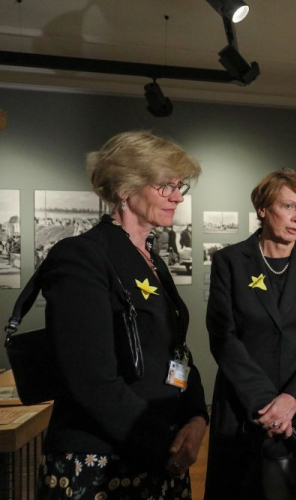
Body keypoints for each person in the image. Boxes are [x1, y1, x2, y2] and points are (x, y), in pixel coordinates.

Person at [36, 131, 209, 499]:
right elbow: (91, 380)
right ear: (126, 188)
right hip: (102, 462)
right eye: (166, 186)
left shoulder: (154, 262)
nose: (178, 197)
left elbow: (176, 351)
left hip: (159, 454)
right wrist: (164, 445)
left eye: (180, 186)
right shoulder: (82, 256)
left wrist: (196, 418)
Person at [205, 169, 296, 499]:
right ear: (262, 209)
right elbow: (224, 337)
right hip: (243, 407)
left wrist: (292, 400)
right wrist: (268, 404)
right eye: (289, 207)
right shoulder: (230, 261)